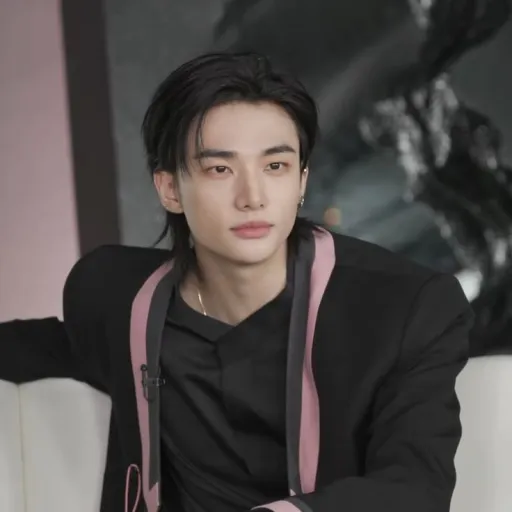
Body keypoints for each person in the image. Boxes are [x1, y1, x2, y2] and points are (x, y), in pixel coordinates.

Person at [0, 52, 473, 512]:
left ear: (301, 181)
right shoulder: (117, 298)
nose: (252, 197)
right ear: (170, 188)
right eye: (220, 169)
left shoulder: (403, 310)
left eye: (275, 166)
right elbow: (50, 347)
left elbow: (414, 490)